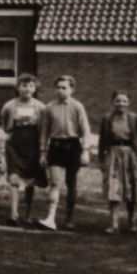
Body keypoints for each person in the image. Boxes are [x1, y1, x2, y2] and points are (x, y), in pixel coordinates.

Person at [40, 74, 91, 229]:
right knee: (55, 182)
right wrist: (43, 152)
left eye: (64, 88)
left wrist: (85, 151)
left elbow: (85, 130)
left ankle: (69, 218)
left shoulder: (77, 106)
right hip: (55, 146)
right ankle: (51, 217)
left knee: (71, 183)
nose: (61, 91)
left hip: (72, 146)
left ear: (71, 89)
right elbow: (44, 132)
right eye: (58, 87)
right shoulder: (49, 107)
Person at [1, 73, 48, 226]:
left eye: (31, 86)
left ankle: (27, 214)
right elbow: (4, 121)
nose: (27, 89)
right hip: (15, 145)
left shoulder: (41, 107)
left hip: (33, 146)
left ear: (35, 89)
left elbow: (44, 129)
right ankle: (14, 214)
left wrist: (42, 149)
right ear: (18, 88)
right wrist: (9, 133)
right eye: (24, 85)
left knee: (30, 180)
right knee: (14, 178)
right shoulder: (10, 105)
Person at [99, 90, 137, 234]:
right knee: (113, 189)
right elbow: (102, 141)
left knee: (131, 188)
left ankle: (132, 220)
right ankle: (114, 223)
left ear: (128, 103)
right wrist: (102, 160)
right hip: (113, 155)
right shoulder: (107, 119)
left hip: (130, 156)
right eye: (118, 101)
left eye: (124, 101)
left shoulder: (134, 118)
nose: (121, 104)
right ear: (112, 102)